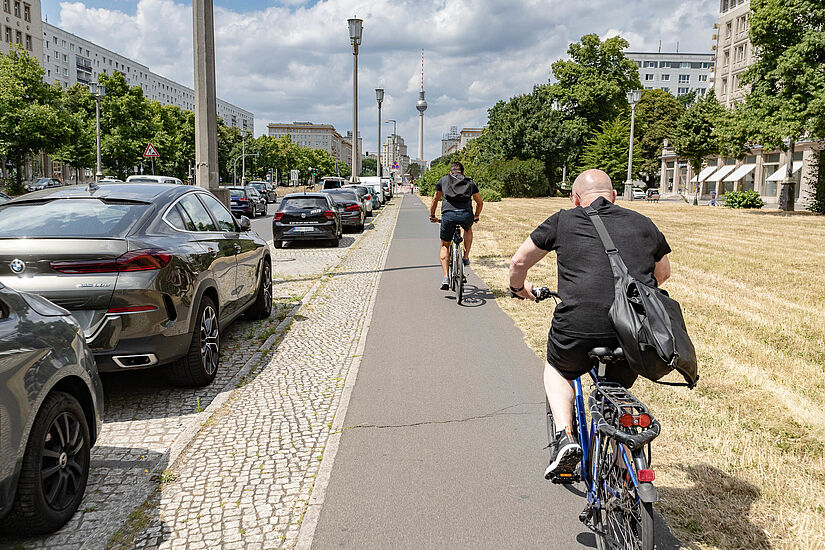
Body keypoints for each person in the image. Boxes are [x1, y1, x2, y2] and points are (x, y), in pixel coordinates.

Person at [508, 169, 671, 479]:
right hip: (634, 330)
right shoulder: (642, 223)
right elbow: (662, 273)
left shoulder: (563, 220)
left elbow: (518, 263)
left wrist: (519, 289)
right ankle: (625, 468)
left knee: (558, 367)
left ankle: (565, 437)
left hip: (579, 326)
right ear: (614, 196)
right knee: (618, 387)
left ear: (575, 199)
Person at [429, 162, 483, 290]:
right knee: (468, 228)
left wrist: (432, 215)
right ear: (463, 172)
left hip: (448, 216)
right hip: (466, 215)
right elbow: (480, 202)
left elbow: (435, 198)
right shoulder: (470, 182)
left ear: (450, 172)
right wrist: (476, 216)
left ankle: (446, 278)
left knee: (445, 245)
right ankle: (465, 257)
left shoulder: (443, 180)